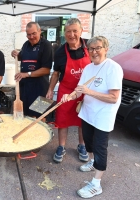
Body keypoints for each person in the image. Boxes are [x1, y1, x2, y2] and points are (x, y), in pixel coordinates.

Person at [61, 36, 123, 198]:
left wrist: (89, 92)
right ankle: (92, 161)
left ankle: (96, 184)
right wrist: (69, 96)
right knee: (88, 141)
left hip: (103, 116)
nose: (94, 52)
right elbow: (79, 90)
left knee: (100, 148)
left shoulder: (113, 68)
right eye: (91, 49)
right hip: (88, 113)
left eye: (98, 48)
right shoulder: (88, 68)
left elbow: (113, 97)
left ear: (106, 49)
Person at [46, 18, 90, 163]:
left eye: (75, 31)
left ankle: (82, 145)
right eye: (68, 31)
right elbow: (56, 73)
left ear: (81, 31)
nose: (71, 35)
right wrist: (50, 90)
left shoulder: (90, 47)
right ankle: (61, 146)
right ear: (64, 33)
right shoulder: (59, 52)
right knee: (62, 120)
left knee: (83, 120)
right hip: (66, 91)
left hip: (85, 91)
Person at [11, 22, 53, 118]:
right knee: (26, 118)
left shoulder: (46, 45)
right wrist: (15, 54)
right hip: (25, 89)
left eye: (34, 33)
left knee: (40, 119)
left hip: (41, 90)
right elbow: (22, 57)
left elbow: (46, 70)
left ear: (39, 31)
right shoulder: (26, 44)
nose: (31, 37)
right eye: (29, 34)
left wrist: (26, 74)